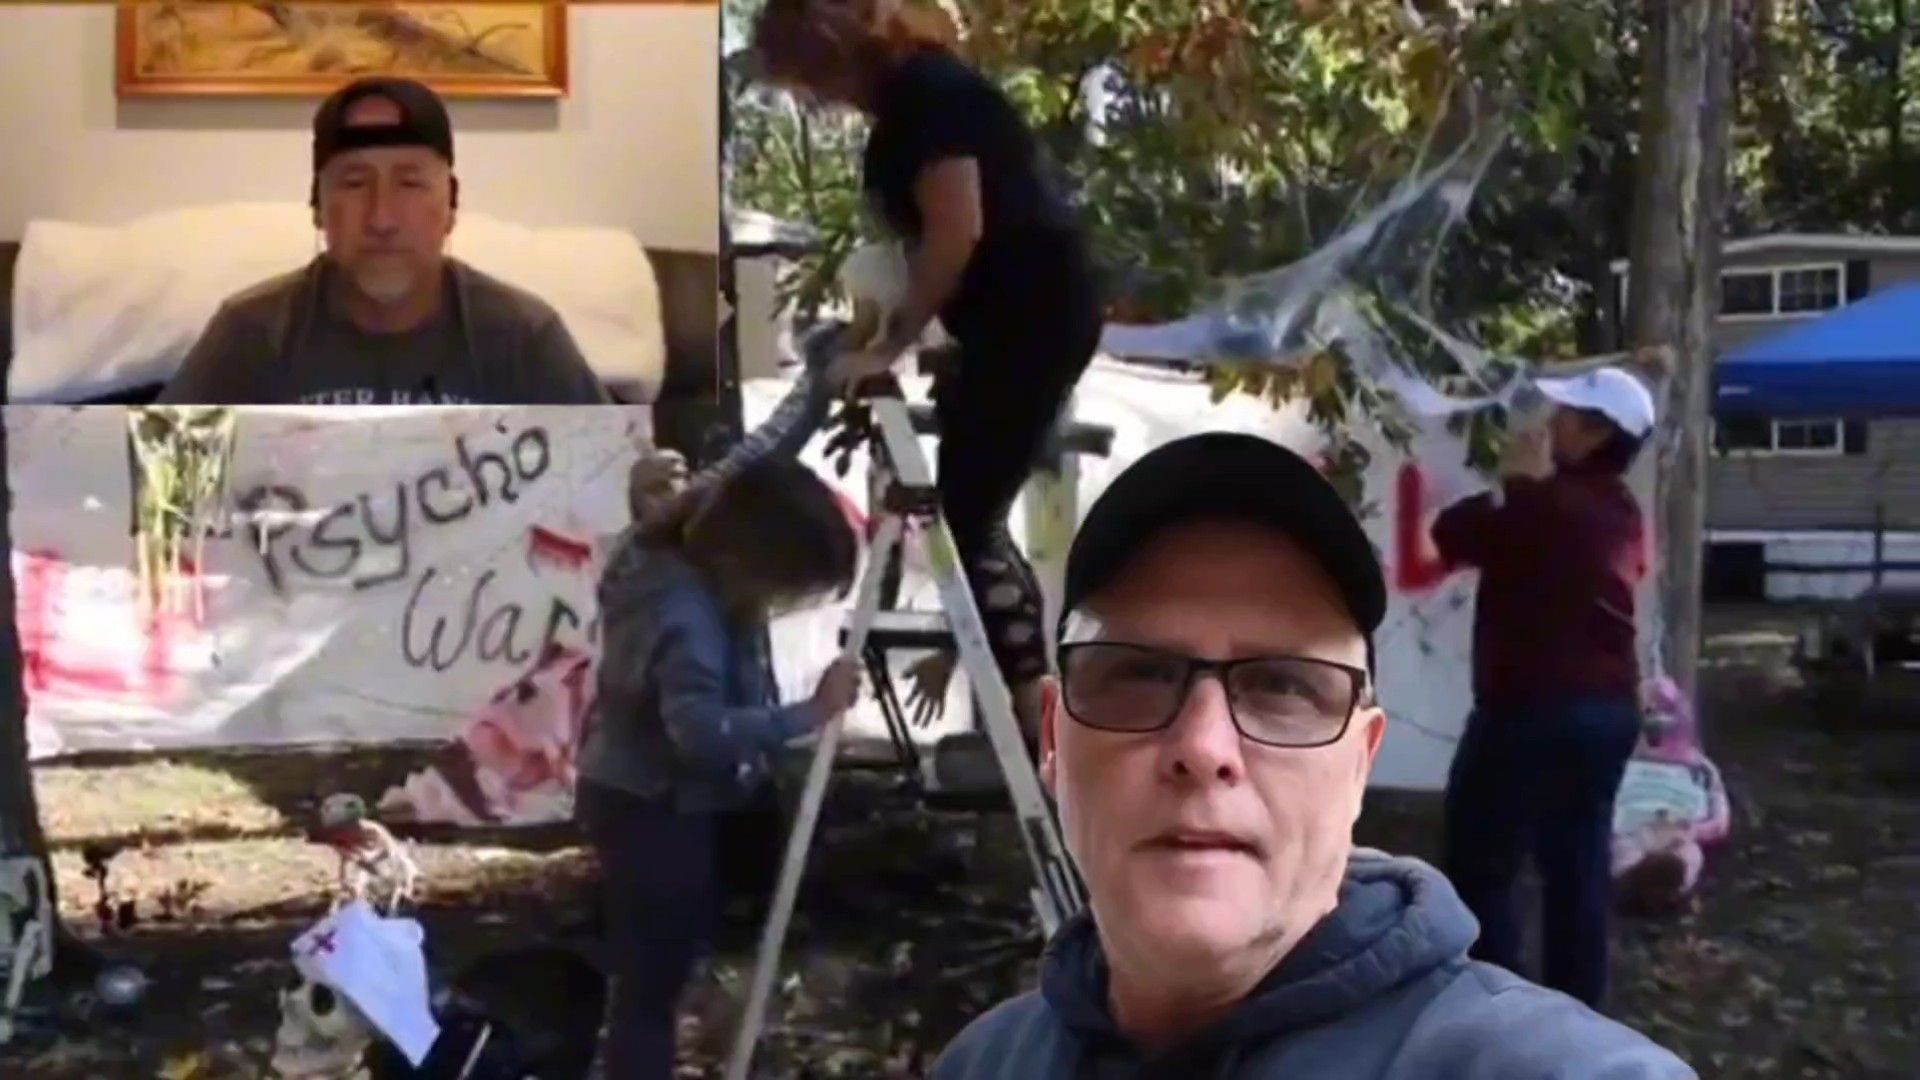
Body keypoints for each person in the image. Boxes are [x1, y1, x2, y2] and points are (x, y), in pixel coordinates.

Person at [932, 431, 1694, 1077]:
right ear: (1054, 739)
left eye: (1284, 687)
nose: (1203, 747)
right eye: (1138, 675)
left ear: (1360, 762)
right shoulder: (983, 1063)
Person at [751, 0, 1105, 744]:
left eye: (809, 82)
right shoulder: (920, 96)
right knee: (974, 514)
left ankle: (1038, 722)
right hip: (1018, 317)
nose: (817, 102)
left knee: (971, 517)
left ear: (829, 53)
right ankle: (1034, 711)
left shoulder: (927, 96)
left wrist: (893, 346)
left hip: (1031, 316)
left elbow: (955, 233)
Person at [573, 456, 864, 1078]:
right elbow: (700, 732)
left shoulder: (670, 554)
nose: (781, 605)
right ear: (755, 559)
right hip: (650, 805)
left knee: (659, 972)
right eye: (788, 588)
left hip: (648, 794)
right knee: (650, 984)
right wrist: (808, 713)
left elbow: (768, 447)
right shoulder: (684, 613)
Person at [157, 76, 610, 405]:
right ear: (317, 206)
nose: (382, 218)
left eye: (410, 184)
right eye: (354, 184)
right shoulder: (251, 335)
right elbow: (158, 487)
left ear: (451, 204)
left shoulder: (523, 338)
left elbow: (614, 487)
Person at [1430, 366, 1656, 1011]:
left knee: (1480, 864)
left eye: (1567, 414)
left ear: (1595, 434)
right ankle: (1577, 1016)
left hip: (1530, 712)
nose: (1550, 423)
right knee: (1577, 867)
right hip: (1606, 712)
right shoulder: (1619, 510)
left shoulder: (1544, 507)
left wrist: (1516, 483)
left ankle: (1498, 1012)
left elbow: (1454, 534)